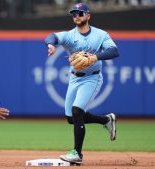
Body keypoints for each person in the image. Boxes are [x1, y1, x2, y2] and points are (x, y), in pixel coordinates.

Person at [44, 2, 119, 165]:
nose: (76, 16)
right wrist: (50, 44)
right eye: (74, 14)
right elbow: (52, 37)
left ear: (88, 16)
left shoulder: (100, 35)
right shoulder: (70, 35)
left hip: (92, 77)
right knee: (71, 118)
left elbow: (114, 51)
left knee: (77, 111)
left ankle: (77, 154)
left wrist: (95, 57)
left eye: (80, 13)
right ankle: (106, 120)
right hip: (75, 78)